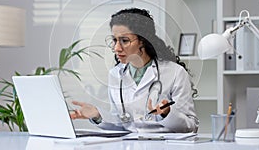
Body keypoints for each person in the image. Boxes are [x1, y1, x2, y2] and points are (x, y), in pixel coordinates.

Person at [70, 8, 199, 133]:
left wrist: (167, 113)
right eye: (115, 40)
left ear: (142, 40)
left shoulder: (175, 72)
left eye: (124, 41)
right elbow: (122, 123)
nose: (117, 48)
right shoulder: (115, 75)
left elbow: (191, 125)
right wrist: (97, 115)